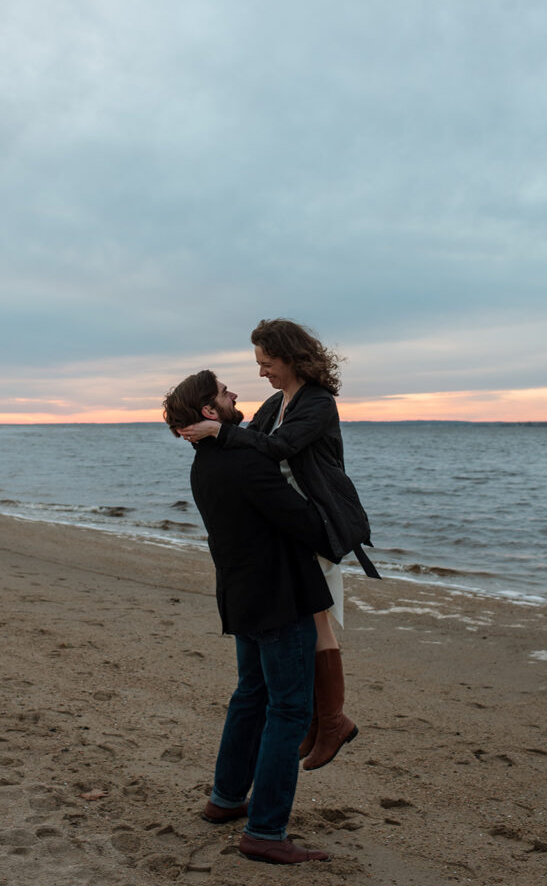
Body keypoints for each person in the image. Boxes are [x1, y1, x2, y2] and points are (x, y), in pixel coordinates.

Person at [180, 318, 379, 771]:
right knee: (315, 620)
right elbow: (248, 446)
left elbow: (277, 448)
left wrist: (219, 433)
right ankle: (318, 721)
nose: (261, 372)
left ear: (291, 358)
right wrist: (208, 441)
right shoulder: (275, 402)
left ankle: (331, 721)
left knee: (318, 623)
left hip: (315, 521)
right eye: (258, 364)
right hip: (285, 526)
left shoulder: (318, 403)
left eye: (267, 363)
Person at [163, 369, 335, 864]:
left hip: (241, 595)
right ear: (210, 413)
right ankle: (264, 831)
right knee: (289, 711)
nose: (235, 392)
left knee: (251, 697)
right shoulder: (243, 463)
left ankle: (225, 799)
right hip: (278, 597)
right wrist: (332, 518)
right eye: (223, 392)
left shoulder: (205, 463)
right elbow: (303, 522)